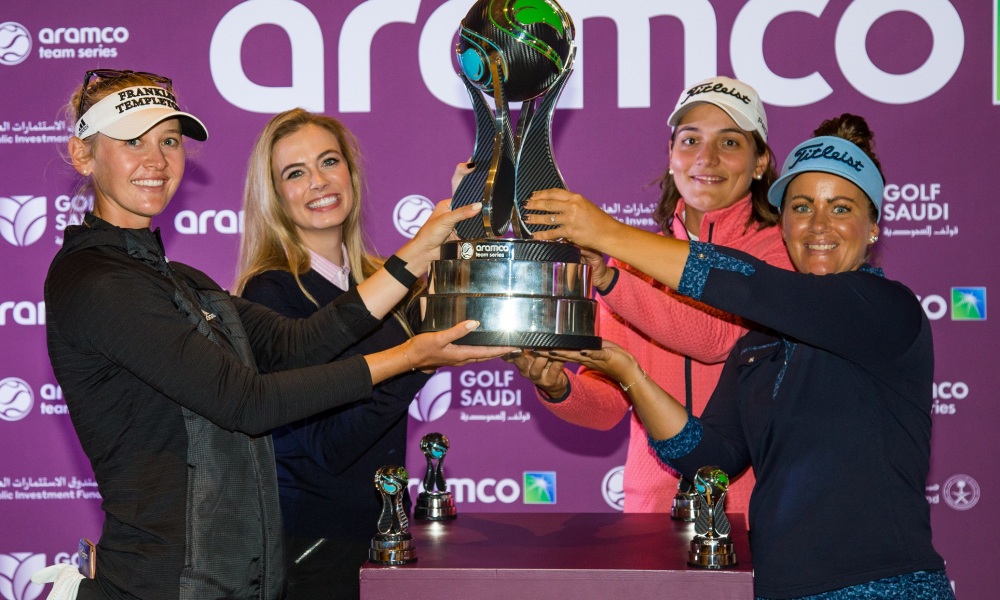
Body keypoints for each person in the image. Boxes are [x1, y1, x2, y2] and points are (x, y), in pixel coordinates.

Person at [36, 70, 511, 600]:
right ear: (83, 154)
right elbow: (246, 402)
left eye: (169, 141)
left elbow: (298, 344)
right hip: (158, 583)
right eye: (132, 142)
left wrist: (421, 251)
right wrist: (410, 358)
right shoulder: (97, 281)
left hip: (228, 578)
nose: (157, 160)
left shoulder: (178, 279)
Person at [521, 114, 954, 599]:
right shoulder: (757, 342)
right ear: (784, 223)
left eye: (841, 208)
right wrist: (631, 375)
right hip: (778, 586)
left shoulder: (887, 309)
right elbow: (714, 457)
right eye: (802, 207)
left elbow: (751, 285)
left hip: (885, 586)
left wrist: (607, 235)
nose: (818, 225)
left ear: (872, 227)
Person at [506, 76, 792, 515]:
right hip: (653, 509)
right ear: (671, 155)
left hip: (755, 511)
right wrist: (559, 386)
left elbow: (714, 338)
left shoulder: (780, 251)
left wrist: (610, 275)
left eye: (730, 142)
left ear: (760, 163)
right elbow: (607, 405)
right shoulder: (632, 264)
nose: (706, 158)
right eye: (690, 140)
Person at [232, 108, 453, 599]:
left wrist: (472, 204)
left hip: (383, 532)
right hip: (314, 547)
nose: (318, 181)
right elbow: (330, 447)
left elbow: (450, 315)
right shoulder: (268, 293)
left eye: (329, 161)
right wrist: (416, 362)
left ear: (351, 173)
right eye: (295, 172)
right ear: (274, 196)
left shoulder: (378, 278)